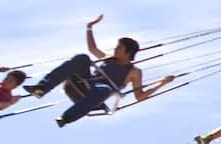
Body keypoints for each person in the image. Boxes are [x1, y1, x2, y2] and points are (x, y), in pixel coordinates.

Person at [24, 15, 178, 127]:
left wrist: (161, 83)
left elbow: (139, 96)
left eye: (119, 48)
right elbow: (92, 49)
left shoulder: (134, 72)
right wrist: (89, 27)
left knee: (104, 89)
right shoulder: (109, 58)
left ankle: (66, 118)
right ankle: (42, 88)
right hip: (83, 84)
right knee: (82, 58)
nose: (115, 49)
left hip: (96, 96)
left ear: (128, 52)